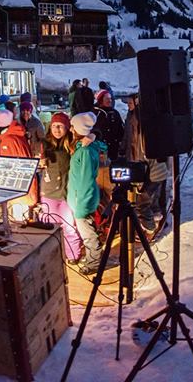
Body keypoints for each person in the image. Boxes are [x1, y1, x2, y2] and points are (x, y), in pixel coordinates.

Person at [68, 112, 107, 274]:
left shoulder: (84, 151)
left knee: (88, 234)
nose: (70, 129)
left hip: (82, 200)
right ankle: (93, 258)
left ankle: (94, 263)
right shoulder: (85, 147)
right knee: (89, 231)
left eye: (72, 127)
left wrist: (80, 205)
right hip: (82, 198)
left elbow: (85, 179)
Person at [123, 94, 169, 232]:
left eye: (130, 103)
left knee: (142, 203)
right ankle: (156, 223)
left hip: (152, 171)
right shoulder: (133, 118)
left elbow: (139, 149)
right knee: (152, 202)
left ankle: (149, 229)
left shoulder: (142, 123)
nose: (128, 105)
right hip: (150, 169)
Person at [39, 112, 81, 261]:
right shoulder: (44, 145)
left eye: (61, 126)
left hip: (65, 193)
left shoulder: (71, 145)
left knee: (69, 226)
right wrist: (39, 163)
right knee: (50, 228)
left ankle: (73, 255)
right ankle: (53, 257)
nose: (57, 129)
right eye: (55, 126)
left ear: (67, 128)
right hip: (48, 193)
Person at [93, 90, 124, 162]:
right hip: (99, 150)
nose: (110, 101)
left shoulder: (115, 113)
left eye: (110, 98)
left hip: (113, 149)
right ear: (100, 100)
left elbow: (121, 130)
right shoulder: (94, 113)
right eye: (107, 99)